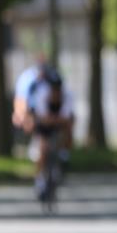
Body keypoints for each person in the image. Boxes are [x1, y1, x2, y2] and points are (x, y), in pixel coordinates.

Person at [27, 69, 75, 199]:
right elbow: (42, 118)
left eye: (58, 89)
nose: (56, 92)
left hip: (58, 124)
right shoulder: (41, 95)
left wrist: (55, 120)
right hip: (44, 126)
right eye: (53, 89)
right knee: (42, 149)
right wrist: (53, 120)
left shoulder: (67, 95)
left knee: (69, 128)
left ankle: (64, 155)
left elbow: (66, 117)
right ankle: (40, 181)